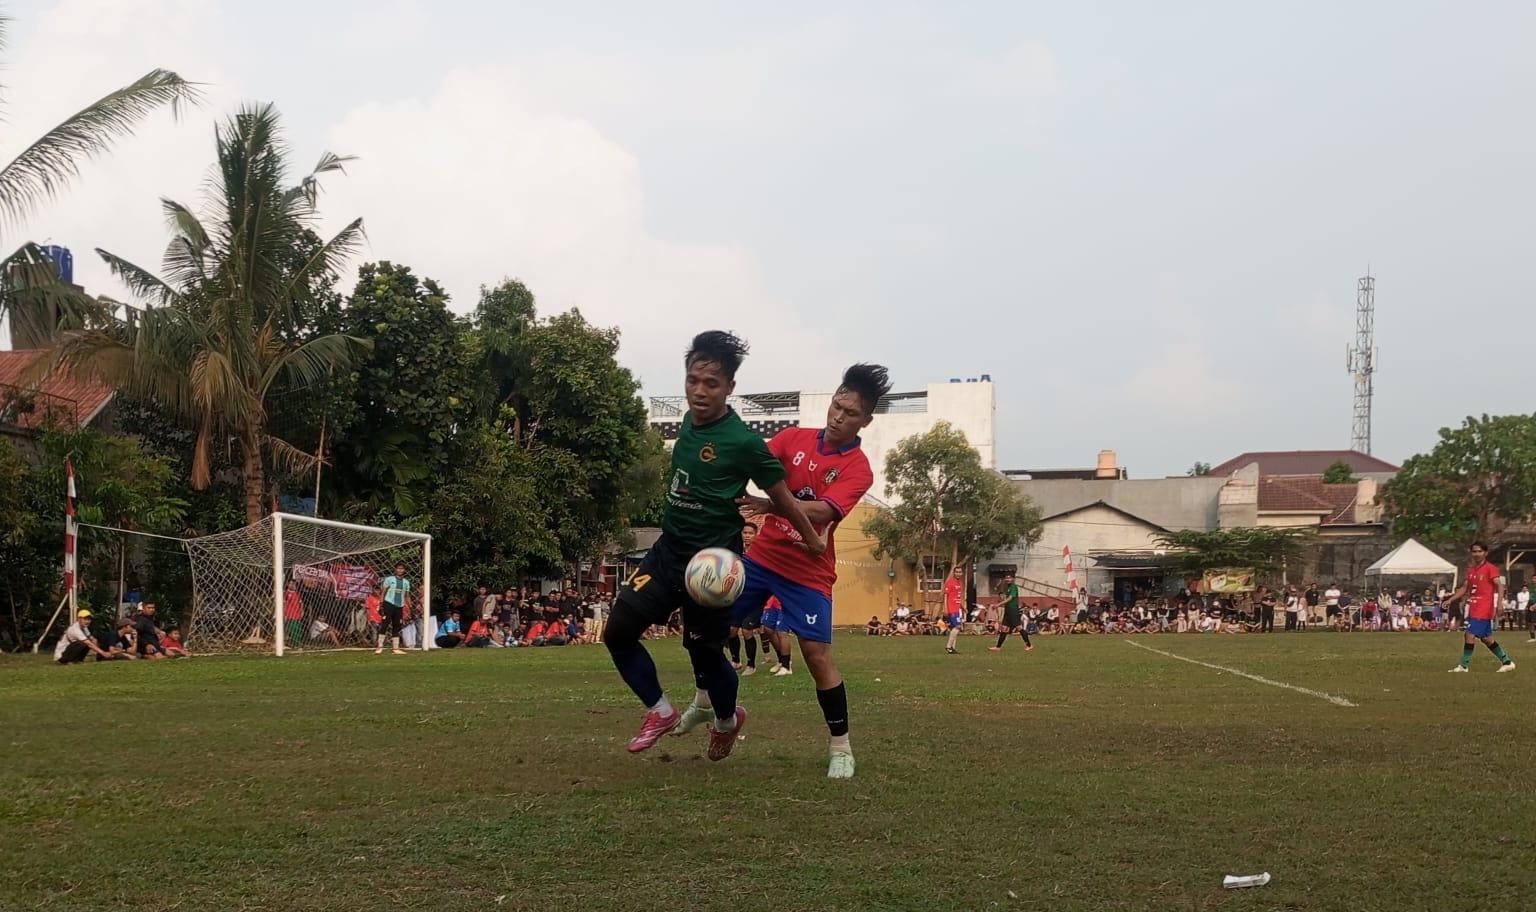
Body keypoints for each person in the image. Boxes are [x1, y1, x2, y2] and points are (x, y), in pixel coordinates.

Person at [601, 331, 825, 761]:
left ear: (730, 388)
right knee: (618, 632)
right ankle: (661, 711)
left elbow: (782, 497)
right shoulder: (687, 421)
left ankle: (726, 720)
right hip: (668, 552)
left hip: (713, 564)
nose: (700, 392)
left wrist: (812, 538)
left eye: (712, 384)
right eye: (693, 381)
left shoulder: (742, 443)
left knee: (702, 652)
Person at [723, 363, 889, 778]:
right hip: (762, 558)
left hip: (809, 571)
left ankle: (841, 748)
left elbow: (822, 511)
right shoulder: (793, 438)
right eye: (836, 405)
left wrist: (769, 504)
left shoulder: (858, 468)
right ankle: (713, 710)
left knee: (816, 656)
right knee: (714, 628)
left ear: (865, 420)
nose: (838, 416)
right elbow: (755, 462)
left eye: (850, 413)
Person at [1444, 541, 1515, 673]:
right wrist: (1451, 599)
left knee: (1469, 634)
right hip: (1474, 607)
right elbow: (1465, 588)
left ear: (1485, 553)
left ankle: (1463, 666)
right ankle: (1507, 662)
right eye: (1474, 551)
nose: (1477, 554)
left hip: (1484, 608)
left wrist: (1499, 604)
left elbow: (1499, 585)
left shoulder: (1490, 568)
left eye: (1479, 551)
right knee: (1486, 639)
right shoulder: (1471, 571)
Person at [727, 522, 762, 675]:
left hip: (755, 597)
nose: (747, 536)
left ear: (756, 535)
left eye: (750, 533)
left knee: (747, 630)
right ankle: (735, 661)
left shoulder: (760, 554)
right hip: (738, 596)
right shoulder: (737, 553)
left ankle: (751, 665)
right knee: (731, 630)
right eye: (745, 533)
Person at [989, 572, 1034, 653]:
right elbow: (1006, 599)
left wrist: (998, 604)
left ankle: (1029, 645)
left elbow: (1010, 598)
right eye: (1006, 578)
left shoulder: (1014, 587)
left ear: (1013, 579)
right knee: (1004, 629)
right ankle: (998, 647)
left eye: (1009, 578)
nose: (1007, 579)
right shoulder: (1007, 588)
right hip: (1008, 610)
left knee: (1019, 628)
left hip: (1013, 610)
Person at [376, 563, 411, 655]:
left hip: (399, 606)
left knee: (397, 626)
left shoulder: (406, 582)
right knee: (385, 624)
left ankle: (395, 648)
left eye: (402, 569)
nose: (400, 570)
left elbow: (407, 595)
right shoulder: (389, 579)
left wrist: (410, 606)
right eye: (398, 568)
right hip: (389, 604)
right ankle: (379, 647)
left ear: (404, 570)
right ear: (395, 569)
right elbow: (383, 592)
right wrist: (381, 603)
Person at [943, 566, 965, 654]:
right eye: (957, 572)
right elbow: (945, 596)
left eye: (960, 572)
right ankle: (948, 646)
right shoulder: (950, 582)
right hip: (951, 609)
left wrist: (963, 607)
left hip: (957, 609)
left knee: (954, 628)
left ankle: (952, 648)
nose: (958, 573)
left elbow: (958, 597)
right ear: (954, 573)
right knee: (958, 627)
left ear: (961, 573)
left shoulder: (960, 583)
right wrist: (945, 608)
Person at [282, 580, 304, 648]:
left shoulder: (297, 593)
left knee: (299, 629)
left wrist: (302, 611)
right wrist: (284, 614)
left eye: (294, 584)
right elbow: (284, 604)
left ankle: (298, 643)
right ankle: (295, 644)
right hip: (290, 615)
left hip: (297, 614)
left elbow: (301, 603)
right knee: (293, 629)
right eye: (291, 584)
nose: (293, 585)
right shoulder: (286, 593)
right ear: (288, 584)